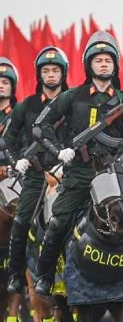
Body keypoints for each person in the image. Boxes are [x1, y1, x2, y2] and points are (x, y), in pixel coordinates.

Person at [32, 32, 123, 296]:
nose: (104, 64)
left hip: (112, 175)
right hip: (79, 173)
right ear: (89, 65)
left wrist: (120, 158)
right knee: (58, 223)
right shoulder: (73, 96)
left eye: (108, 59)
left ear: (115, 65)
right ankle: (46, 277)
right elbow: (40, 127)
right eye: (98, 60)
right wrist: (59, 150)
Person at [4, 47, 70, 295]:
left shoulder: (73, 101)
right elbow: (8, 140)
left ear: (63, 74)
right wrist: (17, 159)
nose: (50, 75)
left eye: (55, 70)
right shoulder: (27, 105)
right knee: (21, 222)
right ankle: (16, 276)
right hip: (35, 174)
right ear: (39, 75)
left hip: (67, 175)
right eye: (46, 71)